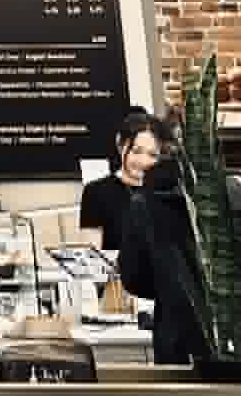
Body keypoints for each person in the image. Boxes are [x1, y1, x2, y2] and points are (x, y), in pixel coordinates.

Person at [119, 148, 208, 364]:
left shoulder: (142, 205)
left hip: (173, 332)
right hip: (232, 330)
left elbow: (132, 278)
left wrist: (166, 287)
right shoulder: (221, 197)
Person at [78, 108, 159, 250]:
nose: (144, 161)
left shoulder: (167, 192)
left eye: (152, 154)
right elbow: (93, 258)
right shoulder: (96, 192)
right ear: (120, 144)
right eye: (136, 151)